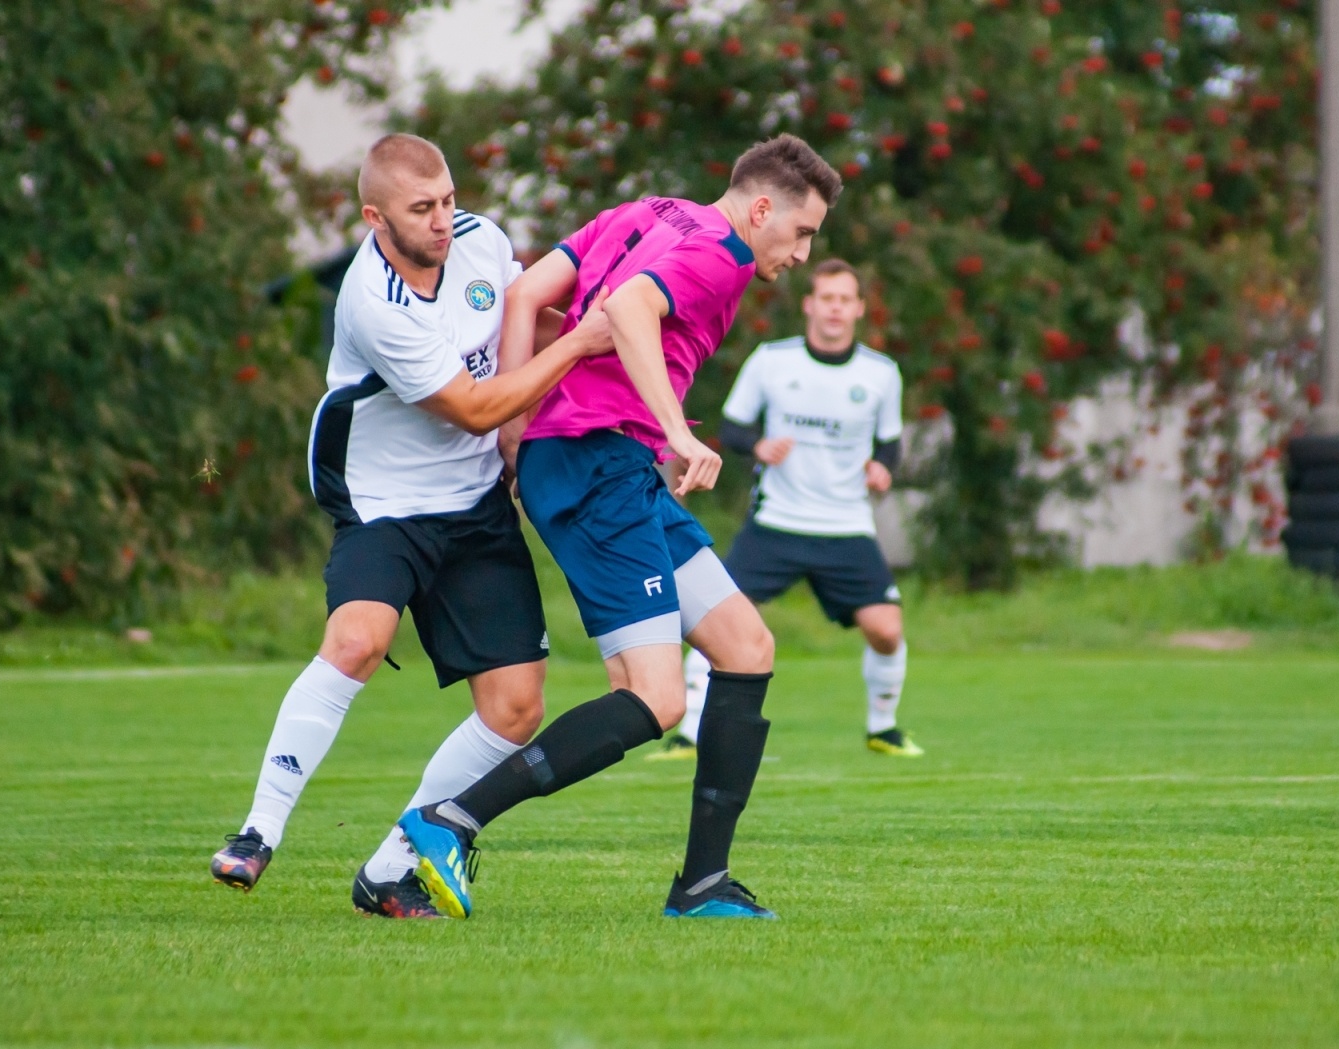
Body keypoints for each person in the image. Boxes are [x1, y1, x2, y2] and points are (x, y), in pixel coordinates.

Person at [397, 134, 842, 920]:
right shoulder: (720, 254)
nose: (803, 253)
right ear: (763, 207)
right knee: (655, 697)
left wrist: (512, 418)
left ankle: (702, 885)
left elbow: (526, 294)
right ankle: (448, 820)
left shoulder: (647, 211)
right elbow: (631, 307)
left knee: (746, 647)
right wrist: (674, 428)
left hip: (603, 462)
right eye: (802, 232)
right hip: (594, 467)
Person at [209, 133, 613, 918]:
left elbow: (525, 307)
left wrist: (624, 323)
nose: (442, 220)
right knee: (358, 640)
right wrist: (584, 344)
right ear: (375, 216)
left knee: (517, 709)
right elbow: (473, 408)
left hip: (475, 507)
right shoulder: (372, 301)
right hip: (383, 505)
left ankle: (392, 864)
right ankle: (259, 831)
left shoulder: (481, 240)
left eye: (449, 200)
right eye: (421, 208)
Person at [650, 258, 920, 762]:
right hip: (776, 524)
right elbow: (731, 429)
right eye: (827, 298)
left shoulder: (881, 374)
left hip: (846, 526)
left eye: (845, 300)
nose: (835, 309)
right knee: (714, 617)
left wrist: (883, 468)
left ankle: (883, 727)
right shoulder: (773, 361)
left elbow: (889, 445)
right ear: (810, 305)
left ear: (859, 309)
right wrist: (760, 446)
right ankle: (688, 731)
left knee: (887, 628)